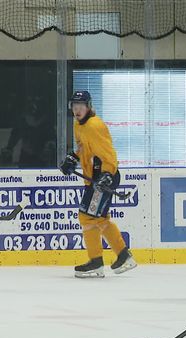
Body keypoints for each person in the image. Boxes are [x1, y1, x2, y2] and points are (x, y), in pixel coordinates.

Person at [59, 90, 137, 278]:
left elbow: (109, 154)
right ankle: (123, 255)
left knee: (86, 217)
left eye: (81, 106)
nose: (77, 110)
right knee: (99, 218)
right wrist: (73, 158)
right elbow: (83, 147)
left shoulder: (95, 125)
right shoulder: (78, 124)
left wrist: (107, 174)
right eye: (74, 106)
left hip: (103, 176)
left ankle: (96, 261)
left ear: (89, 107)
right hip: (93, 176)